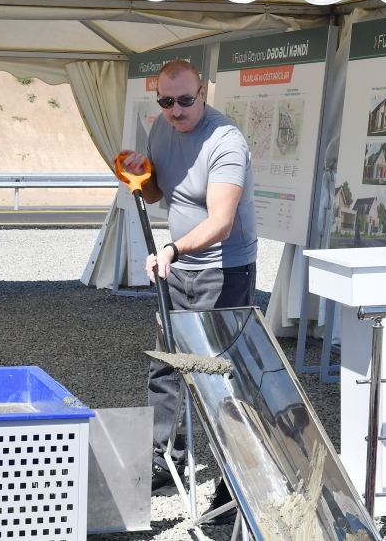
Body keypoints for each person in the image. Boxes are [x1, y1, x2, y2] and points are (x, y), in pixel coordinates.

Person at [116, 59, 257, 525]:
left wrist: (173, 249)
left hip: (223, 270)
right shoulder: (162, 127)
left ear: (203, 93)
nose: (175, 110)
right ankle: (161, 459)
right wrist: (139, 177)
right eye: (166, 101)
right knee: (165, 364)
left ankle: (235, 482)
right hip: (177, 267)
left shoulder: (226, 141)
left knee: (219, 377)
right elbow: (159, 193)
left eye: (184, 100)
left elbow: (221, 223)